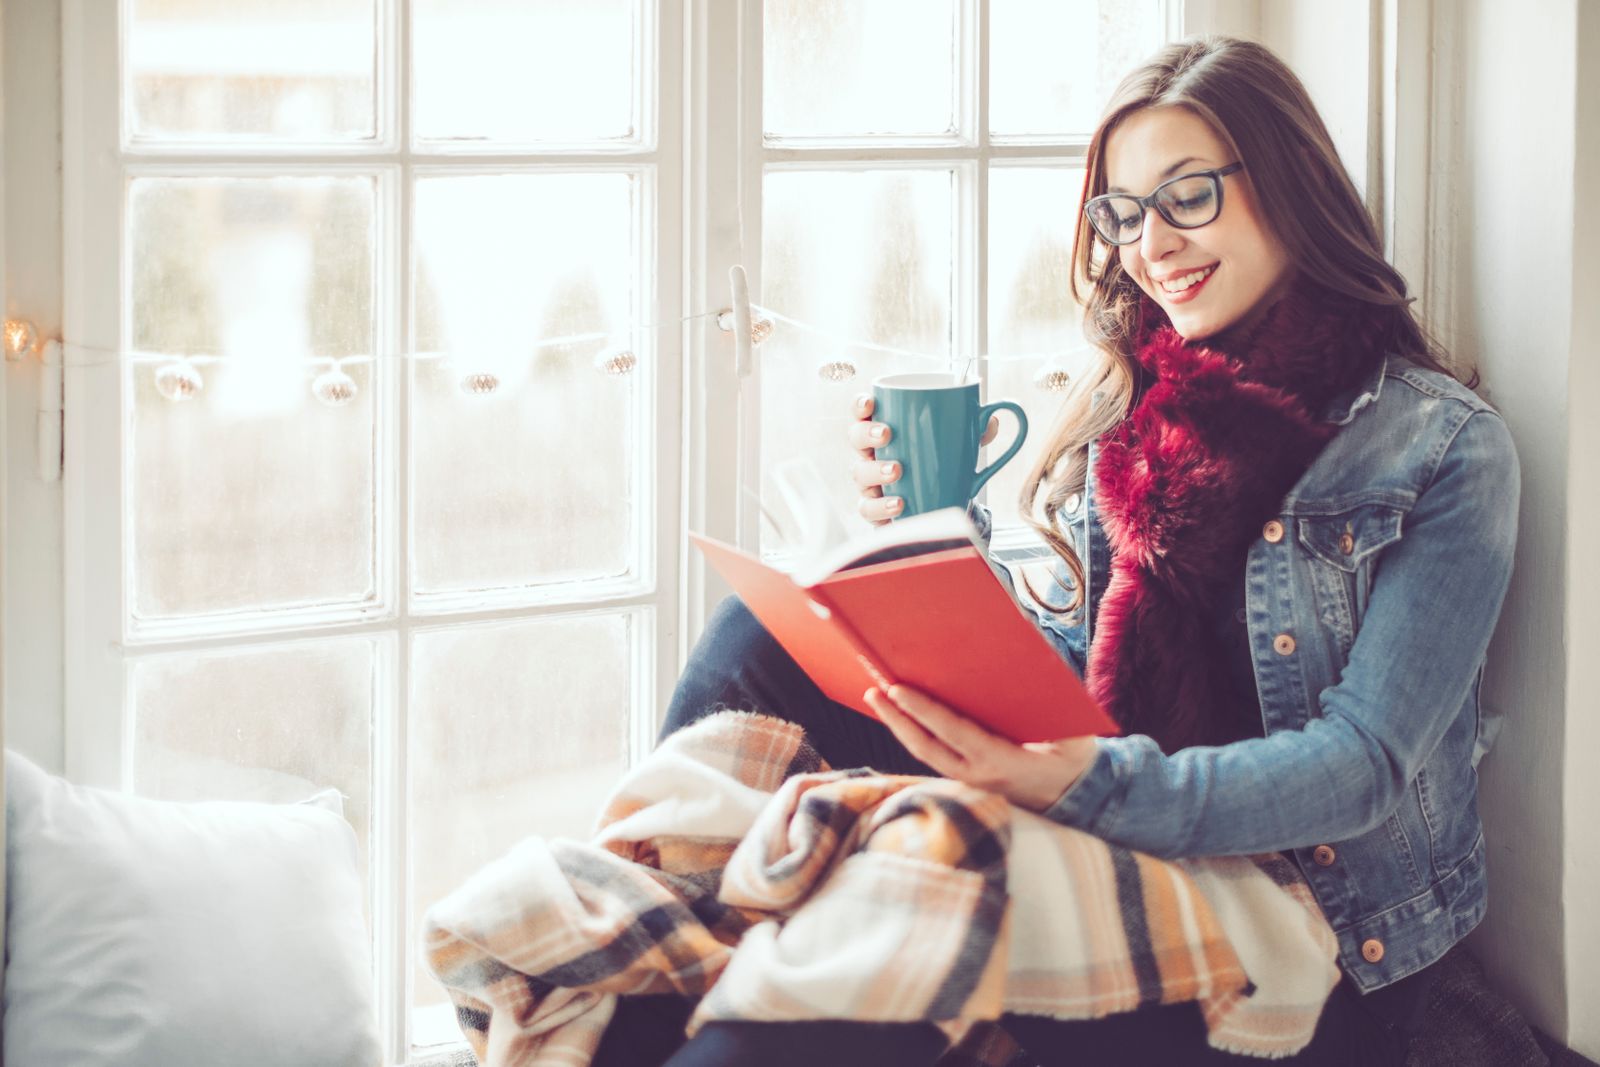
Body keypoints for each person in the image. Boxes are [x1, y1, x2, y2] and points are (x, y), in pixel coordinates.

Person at [592, 34, 1519, 1067]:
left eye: (1188, 195)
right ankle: (645, 945)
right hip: (1106, 825)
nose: (1148, 244)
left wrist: (1081, 787)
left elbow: (1362, 765)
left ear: (1293, 187)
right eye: (1120, 213)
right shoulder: (1134, 410)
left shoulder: (1439, 446)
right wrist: (925, 550)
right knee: (761, 627)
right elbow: (1073, 668)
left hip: (1310, 929)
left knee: (898, 901)